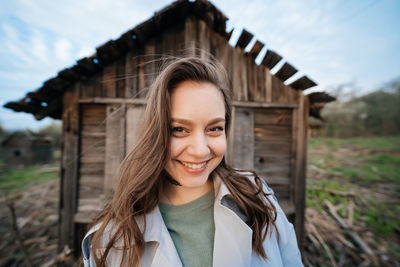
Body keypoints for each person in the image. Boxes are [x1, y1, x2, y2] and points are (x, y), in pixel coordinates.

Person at [82, 56, 303, 267]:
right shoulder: (110, 240)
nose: (200, 150)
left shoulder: (259, 197)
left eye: (214, 128)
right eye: (179, 129)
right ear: (155, 133)